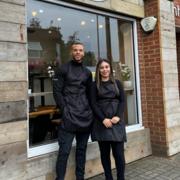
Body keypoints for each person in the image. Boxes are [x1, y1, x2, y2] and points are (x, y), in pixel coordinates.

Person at [53, 42, 93, 180]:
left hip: (84, 117)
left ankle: (80, 178)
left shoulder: (87, 73)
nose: (78, 52)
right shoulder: (62, 69)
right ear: (72, 52)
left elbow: (90, 94)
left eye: (80, 50)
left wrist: (90, 112)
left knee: (81, 151)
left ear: (83, 53)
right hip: (68, 116)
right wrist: (64, 110)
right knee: (64, 151)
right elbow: (57, 92)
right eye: (75, 50)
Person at [90, 59, 126, 180]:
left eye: (107, 67)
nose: (105, 70)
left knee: (119, 154)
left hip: (116, 122)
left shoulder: (117, 83)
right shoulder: (94, 86)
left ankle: (121, 178)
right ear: (98, 70)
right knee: (104, 154)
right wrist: (103, 119)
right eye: (102, 68)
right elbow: (93, 104)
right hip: (102, 123)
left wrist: (117, 116)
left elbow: (122, 101)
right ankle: (108, 177)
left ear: (110, 68)